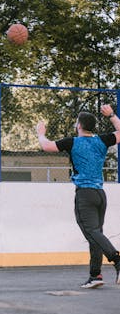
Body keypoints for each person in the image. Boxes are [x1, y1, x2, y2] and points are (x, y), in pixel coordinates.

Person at [36, 104, 120, 289]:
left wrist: (41, 132)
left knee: (92, 232)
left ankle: (117, 260)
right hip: (100, 195)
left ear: (80, 126)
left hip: (85, 195)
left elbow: (46, 146)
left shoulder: (73, 142)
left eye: (76, 123)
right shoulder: (102, 141)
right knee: (96, 235)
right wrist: (112, 115)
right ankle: (95, 275)